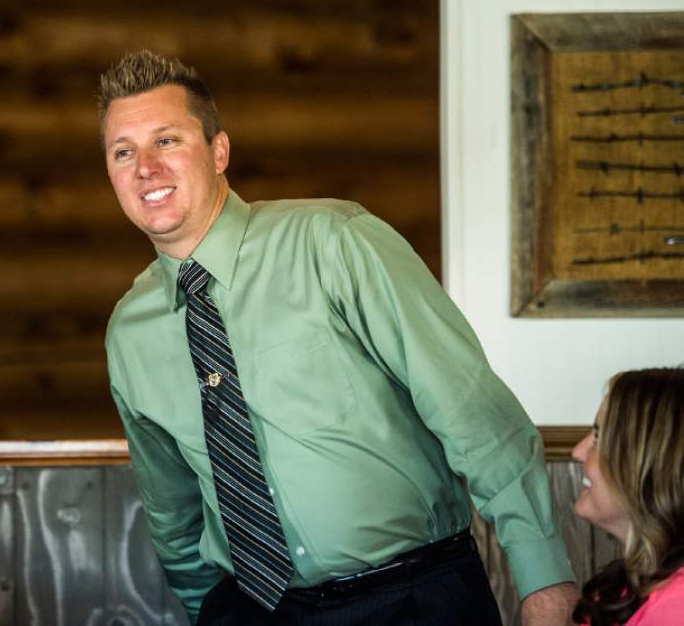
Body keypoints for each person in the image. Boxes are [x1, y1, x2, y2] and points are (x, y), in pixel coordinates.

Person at [100, 50, 578, 625]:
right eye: (123, 151)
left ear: (219, 151)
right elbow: (172, 510)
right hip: (251, 608)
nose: (145, 167)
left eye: (167, 141)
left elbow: (473, 409)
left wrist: (544, 579)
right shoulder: (130, 330)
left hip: (411, 598)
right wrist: (211, 610)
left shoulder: (334, 243)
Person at [571, 368, 684, 626]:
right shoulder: (634, 583)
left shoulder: (676, 609)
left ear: (654, 463)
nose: (578, 451)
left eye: (599, 438)